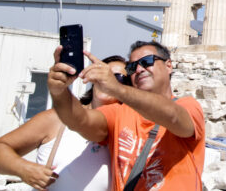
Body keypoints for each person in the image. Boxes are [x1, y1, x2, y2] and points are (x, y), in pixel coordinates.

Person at [48, 40, 204, 191]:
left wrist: (117, 89)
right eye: (132, 67)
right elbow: (79, 120)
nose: (139, 70)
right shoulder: (119, 112)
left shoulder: (188, 106)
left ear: (169, 65)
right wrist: (60, 91)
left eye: (147, 61)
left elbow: (173, 116)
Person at [0, 55, 130, 191]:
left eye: (117, 77)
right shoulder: (57, 119)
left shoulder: (129, 133)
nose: (107, 80)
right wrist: (24, 169)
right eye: (101, 73)